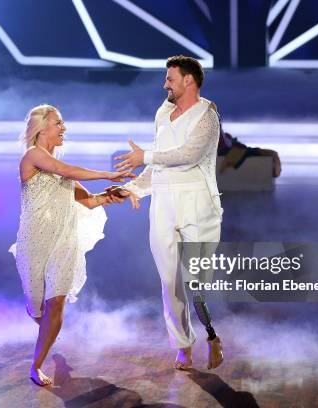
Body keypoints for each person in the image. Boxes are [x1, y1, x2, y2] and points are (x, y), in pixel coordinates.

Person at [110, 55, 225, 370]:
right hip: (163, 203)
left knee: (196, 283)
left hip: (197, 203)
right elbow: (157, 164)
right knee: (169, 281)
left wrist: (144, 156)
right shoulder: (162, 113)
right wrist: (134, 188)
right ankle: (183, 346)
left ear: (189, 80)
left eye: (170, 79)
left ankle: (212, 336)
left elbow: (187, 156)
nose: (165, 85)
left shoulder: (208, 115)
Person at [9, 104, 134, 386]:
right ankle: (43, 326)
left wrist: (113, 194)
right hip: (34, 243)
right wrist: (107, 173)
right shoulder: (31, 156)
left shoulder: (64, 174)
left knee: (56, 305)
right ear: (41, 129)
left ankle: (36, 365)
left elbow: (90, 200)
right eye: (59, 123)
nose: (63, 128)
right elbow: (63, 168)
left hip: (65, 243)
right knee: (38, 308)